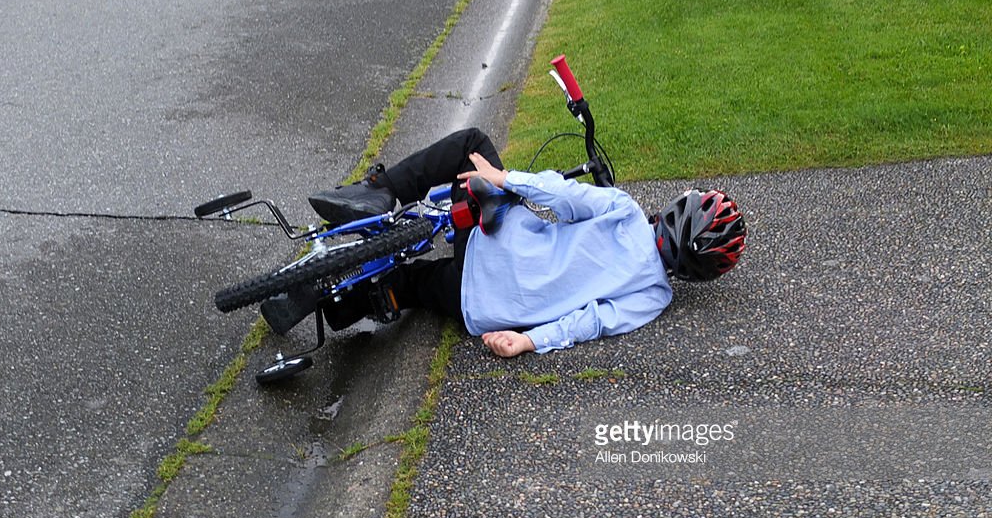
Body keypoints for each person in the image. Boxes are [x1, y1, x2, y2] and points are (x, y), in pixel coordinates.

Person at [261, 128, 746, 358]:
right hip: (480, 308)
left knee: (470, 145)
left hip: (491, 244)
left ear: (679, 207)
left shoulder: (622, 211)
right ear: (699, 273)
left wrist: (503, 175)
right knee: (413, 286)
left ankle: (377, 194)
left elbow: (563, 194)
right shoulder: (654, 298)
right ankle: (333, 303)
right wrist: (528, 341)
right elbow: (592, 322)